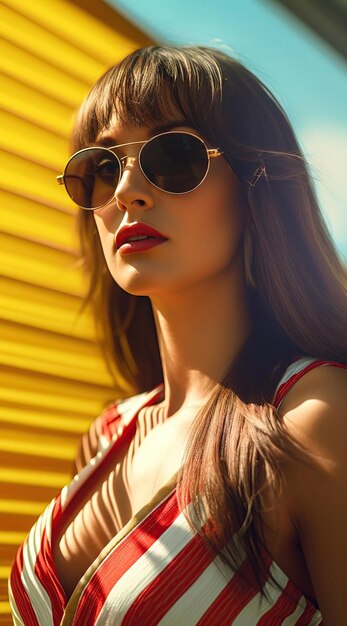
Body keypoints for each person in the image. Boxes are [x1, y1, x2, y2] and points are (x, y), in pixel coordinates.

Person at [9, 45, 347, 625]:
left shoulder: (316, 422)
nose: (127, 192)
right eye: (104, 167)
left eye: (173, 156)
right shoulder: (107, 437)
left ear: (254, 184)